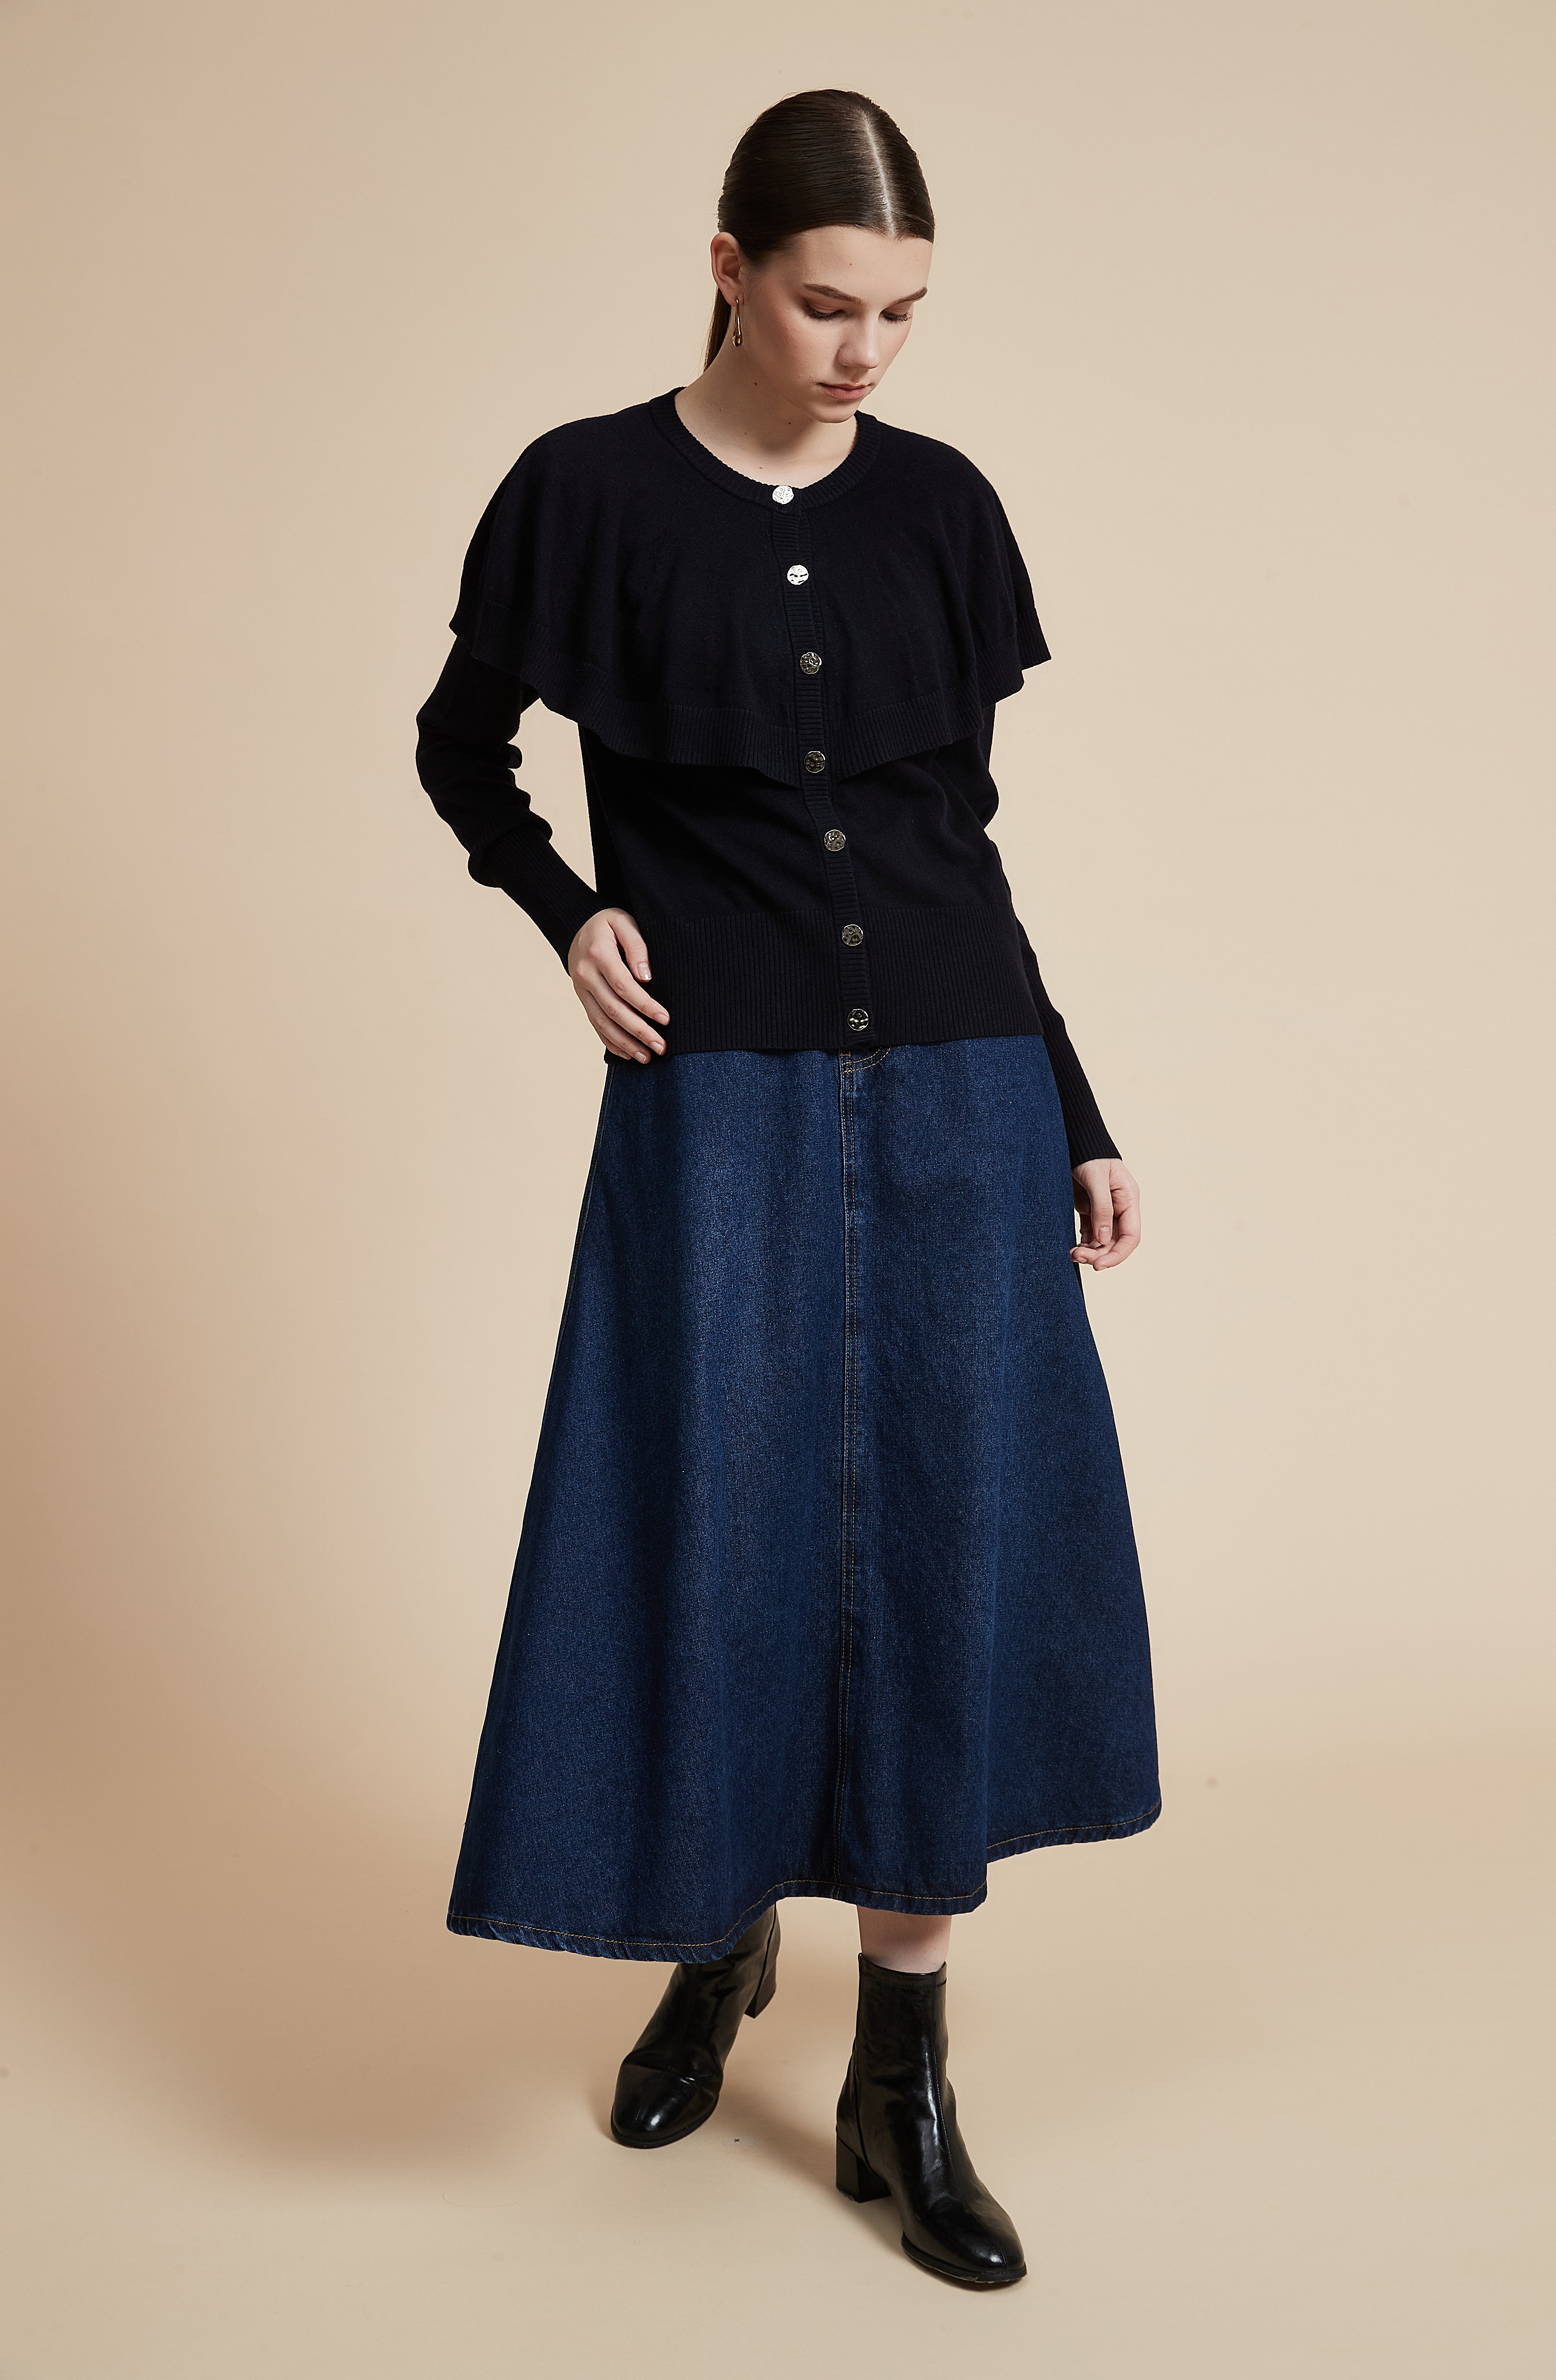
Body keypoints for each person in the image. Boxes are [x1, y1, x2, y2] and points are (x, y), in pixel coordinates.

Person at [415, 88, 1158, 2291]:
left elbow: (955, 845)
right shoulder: (586, 490)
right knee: (715, 1520)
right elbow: (462, 742)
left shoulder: (942, 508)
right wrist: (565, 907)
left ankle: (897, 2071)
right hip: (717, 1096)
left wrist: (1074, 1101)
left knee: (939, 1540)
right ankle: (711, 1934)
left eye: (904, 314)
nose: (866, 351)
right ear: (729, 265)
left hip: (960, 1088)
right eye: (831, 302)